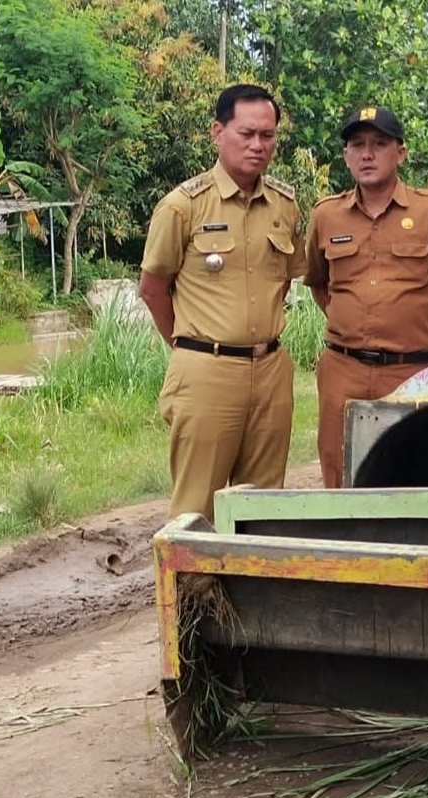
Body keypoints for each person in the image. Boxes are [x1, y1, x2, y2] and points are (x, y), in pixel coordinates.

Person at [139, 84, 306, 520]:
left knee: (263, 509)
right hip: (206, 371)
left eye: (267, 135)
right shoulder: (183, 206)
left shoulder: (285, 206)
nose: (258, 145)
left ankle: (251, 569)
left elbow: (284, 281)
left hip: (270, 372)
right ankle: (192, 571)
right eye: (246, 133)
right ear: (218, 132)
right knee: (197, 509)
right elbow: (153, 288)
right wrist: (189, 347)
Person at [304, 106, 428, 488]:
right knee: (339, 470)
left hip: (411, 370)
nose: (367, 154)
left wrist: (423, 333)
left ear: (401, 153)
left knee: (415, 470)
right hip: (343, 369)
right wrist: (347, 324)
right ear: (346, 155)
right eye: (357, 145)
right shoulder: (326, 215)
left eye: (379, 144)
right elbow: (317, 282)